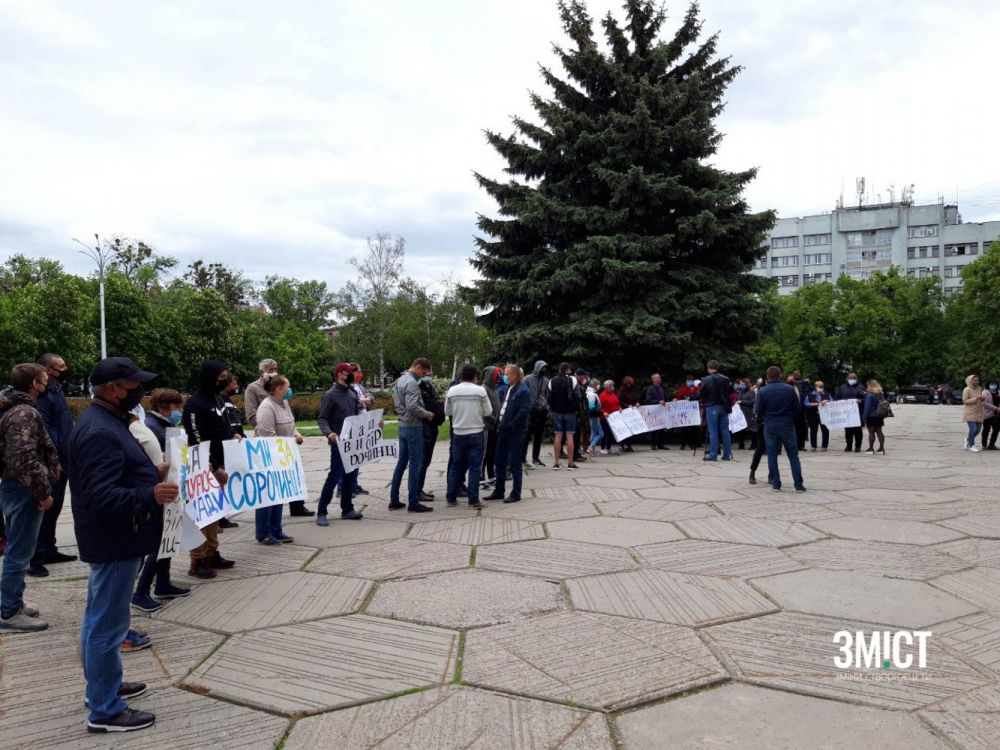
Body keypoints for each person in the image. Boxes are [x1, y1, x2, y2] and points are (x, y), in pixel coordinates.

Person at [68, 356, 178, 733]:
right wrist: (151, 493)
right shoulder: (100, 430)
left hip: (113, 538)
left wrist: (150, 474)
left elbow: (116, 475)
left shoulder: (105, 421)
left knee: (100, 619)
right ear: (113, 388)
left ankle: (103, 686)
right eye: (134, 386)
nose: (140, 392)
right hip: (114, 540)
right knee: (107, 625)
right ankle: (104, 710)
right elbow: (101, 497)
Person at [0, 364, 59, 631]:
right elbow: (23, 457)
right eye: (45, 381)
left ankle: (13, 602)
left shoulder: (13, 407)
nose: (48, 386)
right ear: (35, 384)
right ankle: (10, 612)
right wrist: (43, 492)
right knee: (20, 552)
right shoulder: (24, 412)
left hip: (16, 486)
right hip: (24, 489)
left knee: (18, 548)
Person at [130, 389, 190, 613]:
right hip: (157, 489)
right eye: (177, 407)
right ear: (165, 407)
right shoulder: (154, 427)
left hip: (168, 488)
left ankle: (163, 582)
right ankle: (141, 592)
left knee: (169, 536)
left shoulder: (161, 425)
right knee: (159, 541)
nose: (180, 412)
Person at [182, 360, 237, 579]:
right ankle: (197, 560)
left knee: (215, 514)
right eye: (221, 376)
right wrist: (212, 467)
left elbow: (221, 427)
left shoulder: (217, 398)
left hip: (220, 463)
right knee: (201, 516)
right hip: (204, 468)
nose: (224, 379)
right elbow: (196, 438)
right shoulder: (195, 404)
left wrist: (234, 437)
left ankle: (212, 552)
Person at [26, 353, 77, 577]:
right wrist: (57, 449)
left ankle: (49, 549)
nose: (65, 369)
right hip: (52, 460)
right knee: (44, 509)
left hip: (63, 458)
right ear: (47, 369)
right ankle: (35, 557)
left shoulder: (56, 389)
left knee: (55, 508)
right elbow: (44, 426)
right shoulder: (44, 395)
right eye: (60, 366)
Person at [253, 375, 303, 543]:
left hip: (284, 456)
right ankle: (263, 533)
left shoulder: (284, 404)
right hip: (269, 457)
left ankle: (276, 529)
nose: (290, 390)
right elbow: (268, 436)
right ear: (280, 388)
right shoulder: (266, 407)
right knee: (268, 496)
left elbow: (290, 425)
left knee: (280, 494)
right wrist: (289, 442)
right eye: (287, 386)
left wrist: (296, 434)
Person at [316, 363, 366, 524]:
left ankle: (347, 508)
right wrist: (329, 432)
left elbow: (358, 414)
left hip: (353, 442)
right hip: (338, 442)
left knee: (350, 476)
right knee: (334, 476)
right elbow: (322, 418)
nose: (351, 375)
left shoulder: (352, 393)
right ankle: (322, 512)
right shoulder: (331, 395)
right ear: (339, 375)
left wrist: (374, 423)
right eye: (348, 373)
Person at [390, 358, 435, 513]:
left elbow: (398, 403)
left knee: (401, 463)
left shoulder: (400, 380)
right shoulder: (412, 383)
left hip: (402, 425)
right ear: (417, 367)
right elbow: (412, 406)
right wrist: (427, 414)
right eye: (423, 372)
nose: (424, 375)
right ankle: (413, 502)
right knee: (415, 465)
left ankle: (394, 500)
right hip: (413, 426)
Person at [445, 364, 492, 509]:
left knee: (456, 466)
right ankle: (473, 500)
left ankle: (451, 497)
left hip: (458, 433)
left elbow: (447, 411)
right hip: (476, 432)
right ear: (474, 376)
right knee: (475, 467)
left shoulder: (452, 391)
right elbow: (488, 411)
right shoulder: (480, 391)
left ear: (460, 376)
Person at [485, 364, 531, 504]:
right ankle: (499, 491)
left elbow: (523, 412)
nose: (504, 376)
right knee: (499, 462)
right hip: (503, 430)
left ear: (515, 375)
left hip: (514, 432)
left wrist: (511, 425)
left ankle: (515, 493)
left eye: (507, 374)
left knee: (515, 463)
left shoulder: (523, 391)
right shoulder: (510, 388)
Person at [756, 366, 806, 493]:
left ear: (767, 377)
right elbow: (797, 408)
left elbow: (758, 410)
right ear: (780, 375)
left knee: (772, 455)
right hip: (787, 425)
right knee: (793, 456)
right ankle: (798, 485)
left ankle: (776, 484)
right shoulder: (789, 389)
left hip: (770, 425)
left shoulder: (762, 391)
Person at [699, 360, 734, 462]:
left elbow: (701, 394)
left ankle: (713, 455)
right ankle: (726, 455)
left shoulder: (706, 379)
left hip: (712, 407)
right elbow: (731, 391)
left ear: (708, 368)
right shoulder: (725, 379)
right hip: (723, 407)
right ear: (717, 367)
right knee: (725, 431)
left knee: (713, 431)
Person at [547, 363, 579, 469]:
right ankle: (570, 463)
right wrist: (575, 408)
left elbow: (549, 397)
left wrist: (553, 408)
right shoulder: (572, 380)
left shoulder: (552, 380)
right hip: (570, 411)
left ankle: (556, 463)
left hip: (558, 411)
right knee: (570, 436)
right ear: (568, 370)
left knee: (558, 436)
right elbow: (577, 396)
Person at [522, 360, 549, 467]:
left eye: (545, 368)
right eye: (542, 368)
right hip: (530, 409)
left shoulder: (546, 381)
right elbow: (524, 392)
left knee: (539, 435)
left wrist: (546, 406)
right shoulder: (528, 379)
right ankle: (522, 458)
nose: (544, 370)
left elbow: (547, 395)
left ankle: (536, 458)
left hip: (542, 409)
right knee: (527, 435)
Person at [480, 366, 502, 487]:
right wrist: (494, 420)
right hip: (487, 425)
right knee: (484, 453)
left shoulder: (493, 388)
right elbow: (485, 410)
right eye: (497, 374)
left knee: (491, 452)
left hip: (494, 426)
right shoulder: (484, 389)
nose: (499, 377)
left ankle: (491, 475)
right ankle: (481, 476)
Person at [834, 374, 865, 452]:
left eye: (853, 378)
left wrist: (861, 400)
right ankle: (849, 446)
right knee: (848, 430)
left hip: (857, 412)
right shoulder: (842, 387)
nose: (852, 379)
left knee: (858, 430)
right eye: (850, 378)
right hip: (846, 413)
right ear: (847, 379)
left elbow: (865, 398)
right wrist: (840, 402)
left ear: (856, 379)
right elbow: (837, 397)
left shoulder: (861, 387)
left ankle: (858, 446)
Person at [243, 358, 278, 427]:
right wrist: (268, 426)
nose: (274, 372)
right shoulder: (253, 388)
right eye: (271, 369)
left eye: (276, 369)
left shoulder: (279, 386)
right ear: (262, 372)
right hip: (266, 432)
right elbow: (251, 416)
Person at [962, 374, 987, 452]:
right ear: (970, 380)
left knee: (978, 430)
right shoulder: (967, 389)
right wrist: (975, 399)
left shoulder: (979, 388)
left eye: (977, 380)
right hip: (970, 412)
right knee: (973, 429)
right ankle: (971, 445)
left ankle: (968, 439)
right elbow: (965, 401)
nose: (976, 382)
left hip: (979, 412)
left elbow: (981, 397)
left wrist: (983, 398)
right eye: (975, 380)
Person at [862, 379, 889, 455]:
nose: (867, 386)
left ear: (870, 385)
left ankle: (870, 449)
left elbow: (867, 408)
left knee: (871, 432)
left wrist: (864, 417)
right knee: (879, 432)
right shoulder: (880, 394)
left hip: (871, 416)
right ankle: (881, 449)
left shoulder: (869, 395)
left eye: (868, 385)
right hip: (879, 416)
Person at [804, 380, 832, 452]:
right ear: (815, 387)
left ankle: (824, 446)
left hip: (824, 415)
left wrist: (827, 401)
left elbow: (832, 401)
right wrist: (813, 404)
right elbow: (805, 403)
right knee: (813, 430)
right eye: (820, 386)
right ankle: (813, 446)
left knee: (825, 430)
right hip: (812, 414)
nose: (821, 387)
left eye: (822, 386)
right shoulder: (810, 394)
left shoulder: (826, 394)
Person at [643, 373, 669, 450]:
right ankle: (653, 444)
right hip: (654, 412)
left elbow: (665, 398)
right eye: (657, 378)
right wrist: (658, 402)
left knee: (662, 429)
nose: (659, 379)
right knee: (655, 429)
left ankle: (661, 444)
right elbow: (648, 400)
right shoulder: (650, 389)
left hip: (662, 411)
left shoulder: (662, 388)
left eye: (660, 377)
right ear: (653, 380)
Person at [674, 375, 700, 450]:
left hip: (694, 412)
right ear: (686, 381)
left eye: (691, 380)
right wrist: (675, 399)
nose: (689, 381)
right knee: (684, 429)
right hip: (685, 413)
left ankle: (692, 444)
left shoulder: (697, 389)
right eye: (688, 380)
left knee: (693, 429)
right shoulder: (683, 389)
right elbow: (678, 397)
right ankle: (683, 444)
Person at [617, 376, 641, 452]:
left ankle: (629, 445)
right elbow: (619, 401)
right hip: (625, 412)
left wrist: (637, 403)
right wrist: (627, 406)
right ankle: (623, 444)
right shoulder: (621, 391)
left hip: (632, 412)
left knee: (631, 429)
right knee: (625, 429)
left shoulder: (632, 390)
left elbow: (636, 398)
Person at [573, 368, 590, 463]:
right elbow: (580, 400)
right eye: (584, 376)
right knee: (576, 435)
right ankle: (575, 455)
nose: (585, 377)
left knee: (578, 434)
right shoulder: (577, 386)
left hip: (580, 414)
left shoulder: (579, 385)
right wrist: (582, 413)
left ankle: (577, 453)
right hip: (579, 414)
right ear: (579, 376)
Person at [598, 379, 620, 454]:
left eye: (613, 385)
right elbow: (600, 406)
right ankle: (603, 447)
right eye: (611, 385)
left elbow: (617, 404)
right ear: (606, 386)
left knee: (611, 433)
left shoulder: (613, 394)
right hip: (605, 418)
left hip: (613, 418)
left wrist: (619, 408)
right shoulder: (602, 395)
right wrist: (604, 412)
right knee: (605, 433)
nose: (612, 387)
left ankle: (608, 447)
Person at [790, 370, 810, 450]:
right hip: (801, 409)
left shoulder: (791, 384)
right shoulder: (804, 383)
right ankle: (801, 445)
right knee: (801, 427)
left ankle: (797, 445)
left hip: (795, 409)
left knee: (795, 428)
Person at [736, 378, 757, 450]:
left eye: (742, 384)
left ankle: (754, 444)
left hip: (748, 412)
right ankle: (741, 444)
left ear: (746, 384)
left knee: (751, 429)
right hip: (740, 413)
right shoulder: (739, 392)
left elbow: (752, 402)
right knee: (741, 429)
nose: (741, 385)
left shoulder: (751, 392)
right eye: (740, 384)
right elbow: (736, 400)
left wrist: (742, 402)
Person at [586, 378, 604, 457]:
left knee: (593, 432)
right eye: (598, 384)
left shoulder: (590, 393)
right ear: (595, 385)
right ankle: (590, 448)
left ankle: (591, 448)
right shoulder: (592, 394)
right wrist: (598, 410)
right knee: (600, 434)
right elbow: (591, 406)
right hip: (594, 415)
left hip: (593, 416)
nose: (599, 386)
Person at [983, 379, 1000, 450]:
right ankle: (984, 445)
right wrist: (995, 408)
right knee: (986, 430)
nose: (993, 386)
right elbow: (984, 403)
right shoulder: (985, 392)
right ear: (988, 385)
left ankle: (992, 444)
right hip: (988, 414)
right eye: (992, 384)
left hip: (998, 415)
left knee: (996, 430)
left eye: (995, 384)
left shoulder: (998, 392)